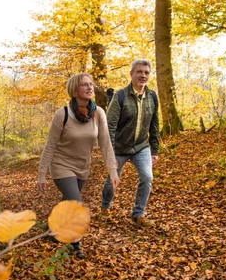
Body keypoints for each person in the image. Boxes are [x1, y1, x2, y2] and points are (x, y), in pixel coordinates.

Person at [38, 73, 120, 258]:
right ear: (75, 90)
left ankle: (52, 227)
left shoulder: (98, 113)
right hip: (61, 165)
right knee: (76, 203)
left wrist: (113, 171)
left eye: (91, 84)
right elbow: (50, 145)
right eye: (85, 85)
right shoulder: (63, 114)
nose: (90, 87)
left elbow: (106, 143)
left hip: (82, 167)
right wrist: (42, 173)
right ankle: (75, 244)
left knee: (68, 200)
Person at [101, 59, 160, 227]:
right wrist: (110, 154)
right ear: (132, 74)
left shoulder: (152, 96)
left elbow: (155, 124)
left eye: (146, 73)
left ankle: (138, 214)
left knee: (147, 177)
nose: (143, 75)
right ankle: (105, 207)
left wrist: (154, 149)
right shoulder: (120, 96)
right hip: (119, 148)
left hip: (141, 147)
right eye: (139, 72)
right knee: (112, 180)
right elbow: (110, 127)